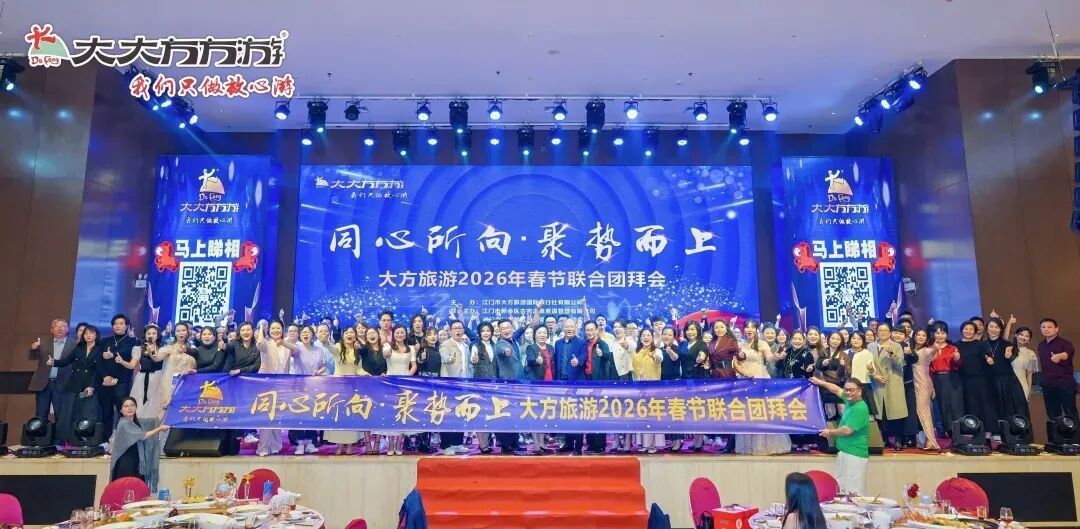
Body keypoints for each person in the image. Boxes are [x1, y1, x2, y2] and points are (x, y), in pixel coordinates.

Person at [734, 320, 790, 455]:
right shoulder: (740, 345)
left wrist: (776, 357)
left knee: (764, 412)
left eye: (752, 327)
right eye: (747, 327)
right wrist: (744, 373)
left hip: (761, 380)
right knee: (748, 412)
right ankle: (749, 446)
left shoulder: (762, 343)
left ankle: (768, 446)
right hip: (746, 381)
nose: (749, 330)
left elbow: (769, 358)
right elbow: (736, 363)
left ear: (756, 330)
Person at [810, 377, 870, 495]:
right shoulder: (849, 401)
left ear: (859, 391)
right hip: (844, 453)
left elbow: (848, 430)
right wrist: (819, 382)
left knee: (853, 492)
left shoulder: (860, 408)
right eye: (846, 389)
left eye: (851, 390)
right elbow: (836, 389)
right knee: (841, 489)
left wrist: (829, 432)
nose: (848, 392)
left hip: (855, 456)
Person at [51, 324, 105, 443]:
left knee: (87, 412)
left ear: (96, 335)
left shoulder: (101, 349)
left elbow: (99, 371)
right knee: (70, 412)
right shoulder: (79, 348)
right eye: (86, 333)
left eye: (91, 333)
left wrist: (92, 386)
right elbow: (66, 361)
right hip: (74, 384)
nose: (88, 335)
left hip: (90, 385)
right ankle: (69, 439)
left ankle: (87, 439)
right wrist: (53, 362)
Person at [254, 320, 295, 456]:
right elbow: (260, 343)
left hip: (282, 384)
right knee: (267, 415)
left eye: (278, 328)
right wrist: (261, 327)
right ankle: (263, 447)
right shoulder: (267, 343)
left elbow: (296, 351)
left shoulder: (286, 345)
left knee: (277, 415)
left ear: (283, 330)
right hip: (267, 384)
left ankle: (276, 445)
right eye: (272, 329)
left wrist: (284, 343)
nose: (275, 331)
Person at [110, 397, 170, 490]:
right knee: (126, 491)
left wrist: (165, 408)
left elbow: (155, 421)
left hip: (136, 463)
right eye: (126, 406)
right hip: (125, 465)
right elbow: (144, 435)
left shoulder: (136, 422)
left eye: (132, 405)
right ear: (121, 410)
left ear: (136, 407)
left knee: (136, 491)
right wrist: (159, 429)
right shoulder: (123, 423)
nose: (129, 408)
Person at [288, 325, 329, 455]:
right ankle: (300, 444)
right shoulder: (297, 348)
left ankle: (311, 442)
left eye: (308, 332)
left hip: (314, 386)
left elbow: (324, 365)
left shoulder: (319, 350)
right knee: (299, 414)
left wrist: (319, 372)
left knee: (312, 414)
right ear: (300, 335)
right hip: (299, 386)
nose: (305, 334)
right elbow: (291, 350)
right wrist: (282, 341)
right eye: (303, 332)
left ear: (313, 335)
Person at [956, 321, 999, 437]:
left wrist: (989, 360)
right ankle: (973, 432)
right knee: (970, 406)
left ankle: (988, 434)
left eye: (971, 329)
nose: (968, 331)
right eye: (966, 329)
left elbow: (989, 357)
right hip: (965, 381)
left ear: (975, 331)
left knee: (985, 406)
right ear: (961, 330)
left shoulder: (981, 344)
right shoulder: (956, 345)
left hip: (981, 380)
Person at [869, 323, 908, 451]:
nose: (883, 332)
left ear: (890, 332)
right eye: (880, 330)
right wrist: (874, 375)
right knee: (880, 413)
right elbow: (869, 364)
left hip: (893, 381)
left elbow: (900, 364)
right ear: (877, 332)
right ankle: (884, 439)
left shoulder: (896, 346)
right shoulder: (870, 346)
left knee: (896, 412)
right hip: (877, 382)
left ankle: (898, 440)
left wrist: (891, 353)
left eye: (886, 330)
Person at [327, 327, 365, 455]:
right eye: (347, 332)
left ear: (355, 336)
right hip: (338, 387)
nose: (349, 334)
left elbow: (359, 369)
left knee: (350, 416)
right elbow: (331, 348)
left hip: (352, 388)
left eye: (352, 332)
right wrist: (326, 341)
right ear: (343, 336)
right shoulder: (338, 348)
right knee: (339, 416)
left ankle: (349, 445)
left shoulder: (357, 351)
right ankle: (339, 445)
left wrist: (367, 374)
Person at [28, 319, 75, 423]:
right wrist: (33, 349)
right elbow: (33, 357)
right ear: (52, 329)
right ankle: (40, 433)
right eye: (57, 326)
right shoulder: (43, 343)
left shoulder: (74, 345)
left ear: (67, 329)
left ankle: (59, 434)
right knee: (40, 414)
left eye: (63, 326)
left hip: (62, 384)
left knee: (61, 414)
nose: (60, 328)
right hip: (44, 383)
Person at [100, 314, 138, 438]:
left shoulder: (132, 341)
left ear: (127, 326)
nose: (118, 326)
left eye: (121, 323)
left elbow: (127, 352)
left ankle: (122, 438)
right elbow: (99, 361)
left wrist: (113, 354)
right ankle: (106, 439)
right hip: (106, 382)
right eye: (115, 324)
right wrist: (105, 376)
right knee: (106, 412)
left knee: (123, 411)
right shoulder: (105, 341)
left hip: (122, 382)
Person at [985, 318, 1029, 423]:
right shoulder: (982, 345)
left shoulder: (1007, 344)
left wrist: (1008, 356)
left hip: (1008, 382)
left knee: (1014, 410)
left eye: (997, 327)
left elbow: (1011, 357)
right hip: (991, 382)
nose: (993, 329)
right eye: (991, 326)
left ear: (1001, 329)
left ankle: (1016, 430)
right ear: (987, 328)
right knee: (996, 411)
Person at [708, 319, 740, 453]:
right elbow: (711, 358)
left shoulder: (731, 341)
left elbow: (739, 355)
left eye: (722, 327)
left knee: (729, 408)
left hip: (727, 375)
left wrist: (742, 356)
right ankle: (719, 436)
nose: (719, 329)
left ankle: (731, 443)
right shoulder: (712, 342)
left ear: (726, 328)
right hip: (715, 376)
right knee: (719, 408)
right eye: (716, 327)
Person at [438, 320, 470, 455]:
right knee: (447, 415)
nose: (458, 330)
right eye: (455, 328)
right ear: (450, 331)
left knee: (461, 414)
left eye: (460, 328)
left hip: (464, 385)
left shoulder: (466, 346)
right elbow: (444, 357)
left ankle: (458, 443)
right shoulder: (446, 344)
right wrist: (449, 359)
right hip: (450, 386)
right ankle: (446, 445)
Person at [384, 325, 417, 455]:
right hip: (390, 384)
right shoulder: (388, 346)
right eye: (397, 333)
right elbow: (385, 354)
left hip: (405, 384)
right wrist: (387, 352)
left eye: (402, 332)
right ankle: (390, 443)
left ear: (405, 334)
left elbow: (414, 365)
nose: (399, 335)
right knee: (391, 414)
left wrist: (407, 377)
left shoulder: (411, 348)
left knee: (403, 413)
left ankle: (399, 444)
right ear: (393, 334)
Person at [1037, 318, 1076, 420]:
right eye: (1043, 327)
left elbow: (1067, 354)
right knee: (1053, 415)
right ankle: (1056, 430)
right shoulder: (1041, 345)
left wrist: (1059, 356)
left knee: (1070, 413)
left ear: (1056, 329)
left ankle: (1074, 431)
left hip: (1064, 383)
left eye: (1049, 327)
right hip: (1048, 385)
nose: (1046, 329)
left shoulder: (1065, 343)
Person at [525, 326, 556, 453]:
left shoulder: (550, 348)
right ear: (535, 335)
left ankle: (543, 443)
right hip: (536, 386)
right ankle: (536, 445)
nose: (542, 335)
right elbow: (530, 360)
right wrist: (536, 361)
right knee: (535, 414)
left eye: (544, 333)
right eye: (539, 333)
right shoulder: (531, 347)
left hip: (549, 385)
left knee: (545, 414)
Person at [632, 329, 664, 454]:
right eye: (643, 335)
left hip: (653, 390)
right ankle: (644, 444)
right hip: (639, 389)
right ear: (640, 338)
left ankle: (652, 445)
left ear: (652, 337)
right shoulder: (636, 351)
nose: (646, 337)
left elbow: (659, 359)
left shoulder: (656, 351)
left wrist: (656, 357)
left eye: (648, 335)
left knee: (652, 417)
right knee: (642, 416)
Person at [911, 329, 941, 451]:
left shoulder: (926, 350)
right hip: (912, 383)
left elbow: (932, 352)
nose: (921, 337)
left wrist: (935, 348)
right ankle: (921, 439)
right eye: (918, 334)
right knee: (917, 413)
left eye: (924, 335)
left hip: (922, 383)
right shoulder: (911, 349)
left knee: (924, 412)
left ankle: (931, 441)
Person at [816, 332, 849, 420]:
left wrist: (842, 366)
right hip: (826, 387)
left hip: (839, 387)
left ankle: (844, 429)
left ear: (841, 341)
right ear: (828, 339)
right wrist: (823, 364)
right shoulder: (823, 353)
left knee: (843, 412)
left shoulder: (844, 355)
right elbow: (818, 366)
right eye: (833, 338)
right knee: (831, 413)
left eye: (838, 339)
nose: (835, 341)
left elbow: (846, 374)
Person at [1010, 327, 1038, 400]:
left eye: (1027, 336)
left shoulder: (1031, 353)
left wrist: (1029, 390)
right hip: (1007, 386)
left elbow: (1029, 374)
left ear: (1029, 339)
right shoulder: (1008, 349)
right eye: (1021, 334)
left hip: (1022, 386)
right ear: (1016, 335)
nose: (1023, 337)